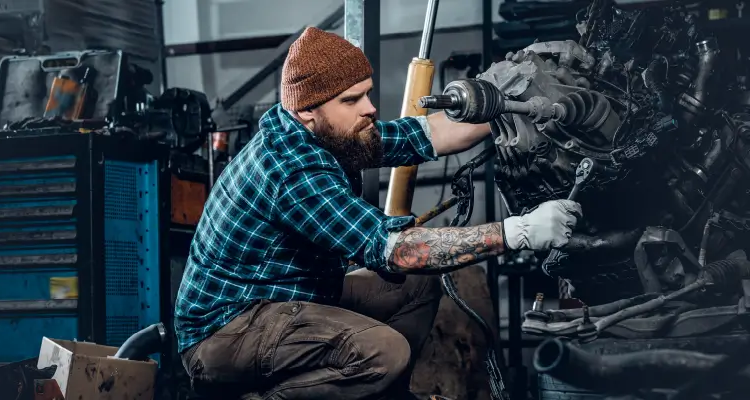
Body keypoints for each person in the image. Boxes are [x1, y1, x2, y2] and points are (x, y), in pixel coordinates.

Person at [175, 27, 582, 400]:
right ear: (306, 111)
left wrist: (511, 106)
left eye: (366, 93)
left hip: (289, 297)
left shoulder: (330, 131)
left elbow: (428, 134)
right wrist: (519, 232)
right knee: (383, 351)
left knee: (418, 286)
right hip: (224, 333)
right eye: (352, 100)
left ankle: (378, 394)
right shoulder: (290, 169)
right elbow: (394, 249)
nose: (369, 108)